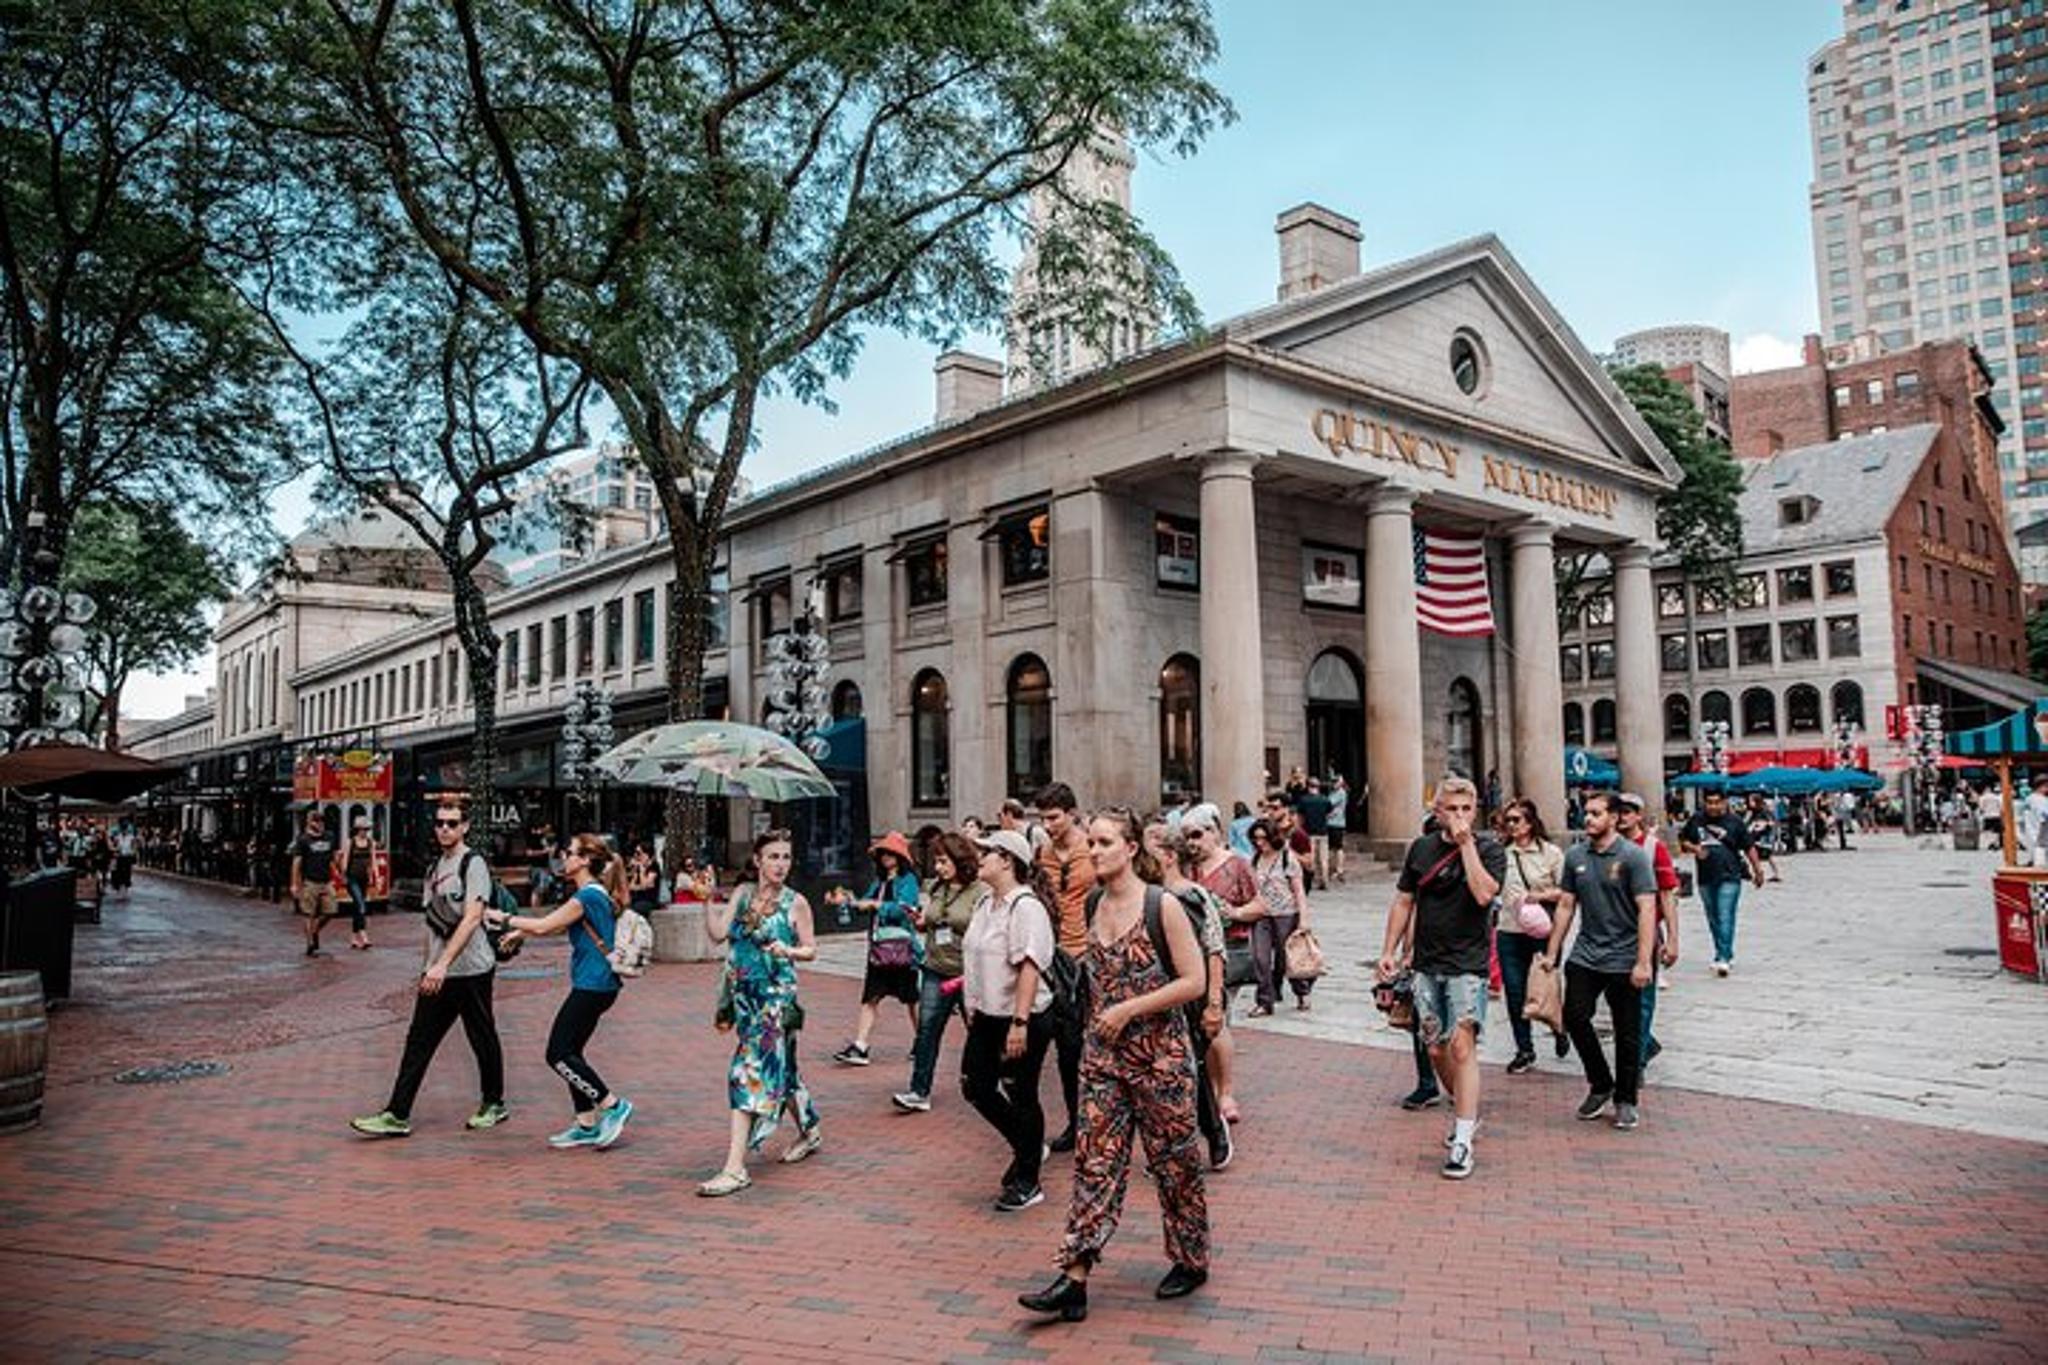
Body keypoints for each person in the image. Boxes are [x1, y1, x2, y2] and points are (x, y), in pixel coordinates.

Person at [1019, 811, 1210, 1322]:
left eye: (1105, 842)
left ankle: (1191, 1258)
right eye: (1092, 843)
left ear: (1130, 848)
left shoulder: (1161, 904)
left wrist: (1128, 1009)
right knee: (1095, 1163)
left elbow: (1194, 981)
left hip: (1161, 1059)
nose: (1095, 851)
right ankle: (1074, 1277)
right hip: (1103, 1060)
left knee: (1175, 1165)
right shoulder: (1095, 903)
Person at [350, 798, 508, 1138]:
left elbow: (472, 918)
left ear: (465, 826)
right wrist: (428, 967)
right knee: (418, 1041)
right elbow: (431, 924)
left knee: (481, 1036)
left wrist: (443, 964)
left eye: (452, 823)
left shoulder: (473, 863)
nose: (445, 829)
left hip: (472, 970)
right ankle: (397, 1113)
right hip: (439, 971)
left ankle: (494, 1103)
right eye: (440, 823)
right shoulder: (434, 868)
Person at [1376, 777, 1504, 1180]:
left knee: (1463, 1046)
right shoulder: (1422, 849)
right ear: (1438, 811)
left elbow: (1484, 894)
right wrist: (1389, 950)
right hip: (1427, 962)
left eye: (1467, 809)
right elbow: (1404, 901)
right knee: (1436, 1051)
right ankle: (1465, 1108)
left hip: (1468, 962)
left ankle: (1463, 1138)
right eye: (1452, 809)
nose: (1460, 817)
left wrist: (1466, 844)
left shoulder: (1489, 849)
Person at [488, 833, 635, 1149]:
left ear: (584, 860)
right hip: (597, 983)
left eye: (569, 853)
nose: (563, 857)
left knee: (557, 1053)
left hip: (593, 984)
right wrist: (519, 933)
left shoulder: (589, 895)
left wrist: (504, 918)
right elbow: (555, 926)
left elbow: (543, 924)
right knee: (571, 1052)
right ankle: (585, 1124)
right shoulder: (589, 894)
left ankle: (612, 1105)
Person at [700, 828, 821, 1196]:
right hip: (743, 998)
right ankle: (810, 1130)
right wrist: (707, 899)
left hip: (776, 999)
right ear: (757, 860)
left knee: (747, 1071)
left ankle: (735, 1168)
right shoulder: (742, 894)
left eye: (786, 856)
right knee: (782, 1071)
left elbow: (811, 949)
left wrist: (789, 950)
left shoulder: (795, 902)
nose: (780, 864)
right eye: (773, 856)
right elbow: (719, 934)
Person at [1543, 792, 1659, 1131]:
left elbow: (1647, 909)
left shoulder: (1633, 857)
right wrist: (1552, 952)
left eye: (1596, 813)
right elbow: (1565, 906)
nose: (1588, 819)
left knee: (1627, 1031)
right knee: (1574, 1017)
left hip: (1624, 957)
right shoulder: (1576, 855)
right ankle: (1600, 1083)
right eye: (1587, 813)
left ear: (1613, 817)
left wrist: (1643, 961)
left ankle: (1625, 1099)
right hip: (1586, 954)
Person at [959, 829, 1057, 1211]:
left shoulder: (1026, 907)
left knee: (1021, 1092)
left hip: (1023, 1015)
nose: (979, 857)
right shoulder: (986, 903)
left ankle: (1028, 1178)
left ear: (1007, 861)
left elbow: (1030, 966)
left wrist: (1019, 1024)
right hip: (986, 1014)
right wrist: (973, 1002)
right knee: (975, 1085)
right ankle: (1028, 1147)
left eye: (987, 852)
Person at [1144, 815, 1232, 1171]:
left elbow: (1214, 948)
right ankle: (1170, 1145)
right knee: (1162, 1075)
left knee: (1188, 1070)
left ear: (1167, 855)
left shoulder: (1191, 896)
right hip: (1158, 996)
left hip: (1193, 997)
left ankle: (1212, 1130)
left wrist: (1213, 1004)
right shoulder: (1146, 896)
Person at [893, 832, 982, 1113]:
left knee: (980, 1033)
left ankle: (989, 1083)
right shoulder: (936, 888)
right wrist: (920, 921)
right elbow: (931, 922)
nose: (939, 867)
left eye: (944, 861)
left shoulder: (980, 891)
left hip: (968, 973)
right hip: (935, 968)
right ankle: (919, 1091)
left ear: (959, 860)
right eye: (936, 861)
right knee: (927, 1030)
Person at [1033, 781, 1096, 1153]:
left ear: (1071, 813)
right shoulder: (1042, 851)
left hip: (1086, 953)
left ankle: (1096, 1118)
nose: (1048, 824)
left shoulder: (1093, 847)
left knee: (1090, 1042)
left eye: (1053, 817)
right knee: (1066, 1045)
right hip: (1053, 954)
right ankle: (1077, 1121)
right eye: (1042, 818)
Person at [1185, 803, 1257, 1125]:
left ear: (1215, 832)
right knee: (1205, 1025)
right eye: (1187, 836)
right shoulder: (1187, 869)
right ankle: (1213, 1088)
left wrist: (1234, 913)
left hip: (1230, 949)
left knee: (1219, 1018)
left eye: (1198, 834)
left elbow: (1261, 903)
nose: (1192, 842)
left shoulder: (1237, 865)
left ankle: (1225, 1091)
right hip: (1194, 954)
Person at [830, 831, 923, 1066]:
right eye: (883, 853)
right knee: (870, 997)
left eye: (890, 853)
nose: (885, 857)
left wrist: (877, 905)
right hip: (879, 949)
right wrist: (847, 901)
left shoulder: (908, 881)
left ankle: (923, 1041)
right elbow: (864, 902)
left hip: (902, 949)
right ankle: (860, 1045)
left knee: (912, 999)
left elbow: (906, 909)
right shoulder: (879, 882)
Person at [1495, 798, 1565, 1075]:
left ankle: (1559, 1027)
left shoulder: (1551, 854)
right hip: (1509, 931)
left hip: (1543, 933)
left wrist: (1541, 895)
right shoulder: (1502, 854)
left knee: (1544, 989)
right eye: (1508, 820)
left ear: (1530, 822)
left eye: (1516, 820)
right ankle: (1524, 1049)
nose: (1511, 825)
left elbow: (1567, 892)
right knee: (1514, 993)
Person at [1614, 793, 1681, 1069]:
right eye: (1618, 811)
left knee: (1642, 999)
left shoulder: (1653, 848)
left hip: (1646, 931)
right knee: (1616, 1000)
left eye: (1628, 811)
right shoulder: (1607, 846)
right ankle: (1645, 1042)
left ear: (1639, 815)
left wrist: (1673, 939)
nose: (1622, 816)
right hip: (1612, 933)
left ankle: (1636, 1060)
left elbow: (1667, 895)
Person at [1680, 789, 1764, 977]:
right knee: (1713, 917)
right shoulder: (1697, 820)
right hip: (1705, 876)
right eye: (1709, 802)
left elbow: (1748, 846)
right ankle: (1724, 950)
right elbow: (1684, 839)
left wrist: (1758, 870)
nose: (1713, 806)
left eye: (1717, 802)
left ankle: (1723, 957)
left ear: (1725, 802)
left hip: (1730, 875)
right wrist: (1695, 848)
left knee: (1725, 914)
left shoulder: (1735, 822)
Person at [1245, 818, 1312, 1015]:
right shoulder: (1255, 859)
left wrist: (1303, 918)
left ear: (1272, 838)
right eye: (1256, 838)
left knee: (1287, 959)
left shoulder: (1287, 858)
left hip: (1286, 914)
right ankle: (1265, 1001)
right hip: (1261, 914)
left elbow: (1299, 891)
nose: (1259, 843)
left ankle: (1301, 990)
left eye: (1263, 838)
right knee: (1260, 958)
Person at [288, 810, 340, 959]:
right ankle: (310, 943)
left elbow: (334, 857)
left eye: (322, 821)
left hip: (326, 880)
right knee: (308, 913)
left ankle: (315, 930)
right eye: (316, 821)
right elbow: (296, 863)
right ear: (309, 822)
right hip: (310, 881)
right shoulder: (303, 839)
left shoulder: (330, 836)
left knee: (331, 911)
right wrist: (294, 884)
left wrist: (341, 873)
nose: (320, 823)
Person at [343, 816, 376, 951]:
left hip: (364, 879)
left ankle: (353, 938)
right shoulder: (350, 842)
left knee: (357, 907)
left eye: (367, 829)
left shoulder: (370, 842)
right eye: (362, 829)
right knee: (361, 906)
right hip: (352, 878)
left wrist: (376, 876)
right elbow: (345, 860)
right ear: (357, 829)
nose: (365, 832)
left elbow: (373, 860)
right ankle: (364, 935)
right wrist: (344, 875)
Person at [1293, 778, 1333, 889]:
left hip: (1309, 832)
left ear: (1308, 787)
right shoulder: (1325, 799)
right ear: (1318, 787)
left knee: (1311, 857)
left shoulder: (1304, 800)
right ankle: (1324, 880)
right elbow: (1330, 813)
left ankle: (1311, 879)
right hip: (1323, 832)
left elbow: (1300, 816)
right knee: (1324, 858)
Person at [1744, 792, 1783, 882]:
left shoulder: (1764, 811)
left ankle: (1775, 873)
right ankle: (1756, 872)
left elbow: (1772, 822)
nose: (1749, 803)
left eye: (1751, 801)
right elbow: (1747, 822)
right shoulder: (1751, 812)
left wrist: (1763, 825)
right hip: (1755, 836)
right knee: (1752, 853)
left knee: (1768, 856)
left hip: (1764, 837)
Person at [1325, 775, 1349, 885]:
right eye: (1332, 781)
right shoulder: (1333, 792)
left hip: (1337, 823)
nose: (1333, 783)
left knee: (1338, 847)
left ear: (1341, 782)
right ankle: (1333, 869)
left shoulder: (1340, 792)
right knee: (1331, 848)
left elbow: (1329, 803)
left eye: (1336, 781)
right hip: (1331, 823)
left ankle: (1339, 870)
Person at [626, 842, 661, 913]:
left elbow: (644, 885)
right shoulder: (637, 868)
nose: (635, 856)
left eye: (638, 853)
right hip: (636, 900)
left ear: (647, 855)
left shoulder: (653, 867)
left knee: (634, 909)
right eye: (635, 853)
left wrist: (642, 870)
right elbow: (631, 886)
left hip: (648, 901)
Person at [110, 821, 138, 898]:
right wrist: (116, 850)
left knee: (127, 873)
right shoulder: (117, 837)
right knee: (119, 873)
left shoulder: (131, 837)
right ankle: (119, 890)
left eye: (125, 829)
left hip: (127, 857)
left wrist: (133, 852)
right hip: (120, 857)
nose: (124, 831)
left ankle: (125, 890)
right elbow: (114, 846)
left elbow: (134, 846)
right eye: (123, 829)